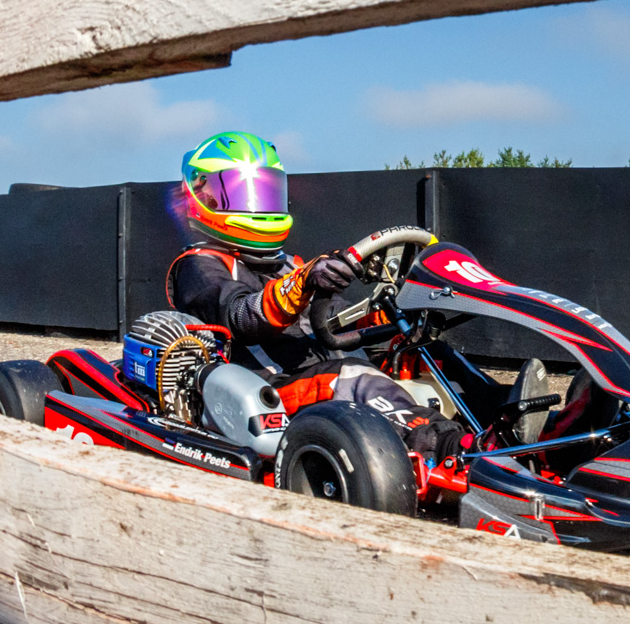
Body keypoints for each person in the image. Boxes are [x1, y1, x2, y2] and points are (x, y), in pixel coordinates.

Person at [166, 131, 468, 464]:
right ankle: (449, 451)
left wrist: (387, 311)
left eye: (265, 191)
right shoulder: (198, 266)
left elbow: (334, 321)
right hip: (269, 389)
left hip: (320, 370)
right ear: (201, 195)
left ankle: (501, 422)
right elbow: (240, 315)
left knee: (430, 354)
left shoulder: (286, 265)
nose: (258, 204)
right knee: (353, 376)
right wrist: (301, 284)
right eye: (241, 191)